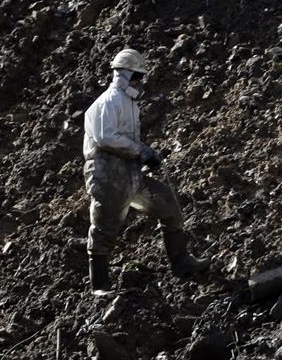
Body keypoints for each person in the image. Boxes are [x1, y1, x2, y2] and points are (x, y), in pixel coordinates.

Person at [84, 48, 209, 294]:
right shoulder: (107, 102)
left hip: (130, 174)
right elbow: (105, 138)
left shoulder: (130, 103)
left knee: (168, 205)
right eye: (136, 76)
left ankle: (181, 263)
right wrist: (140, 150)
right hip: (107, 175)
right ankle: (99, 285)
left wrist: (145, 154)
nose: (139, 82)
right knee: (104, 227)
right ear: (125, 75)